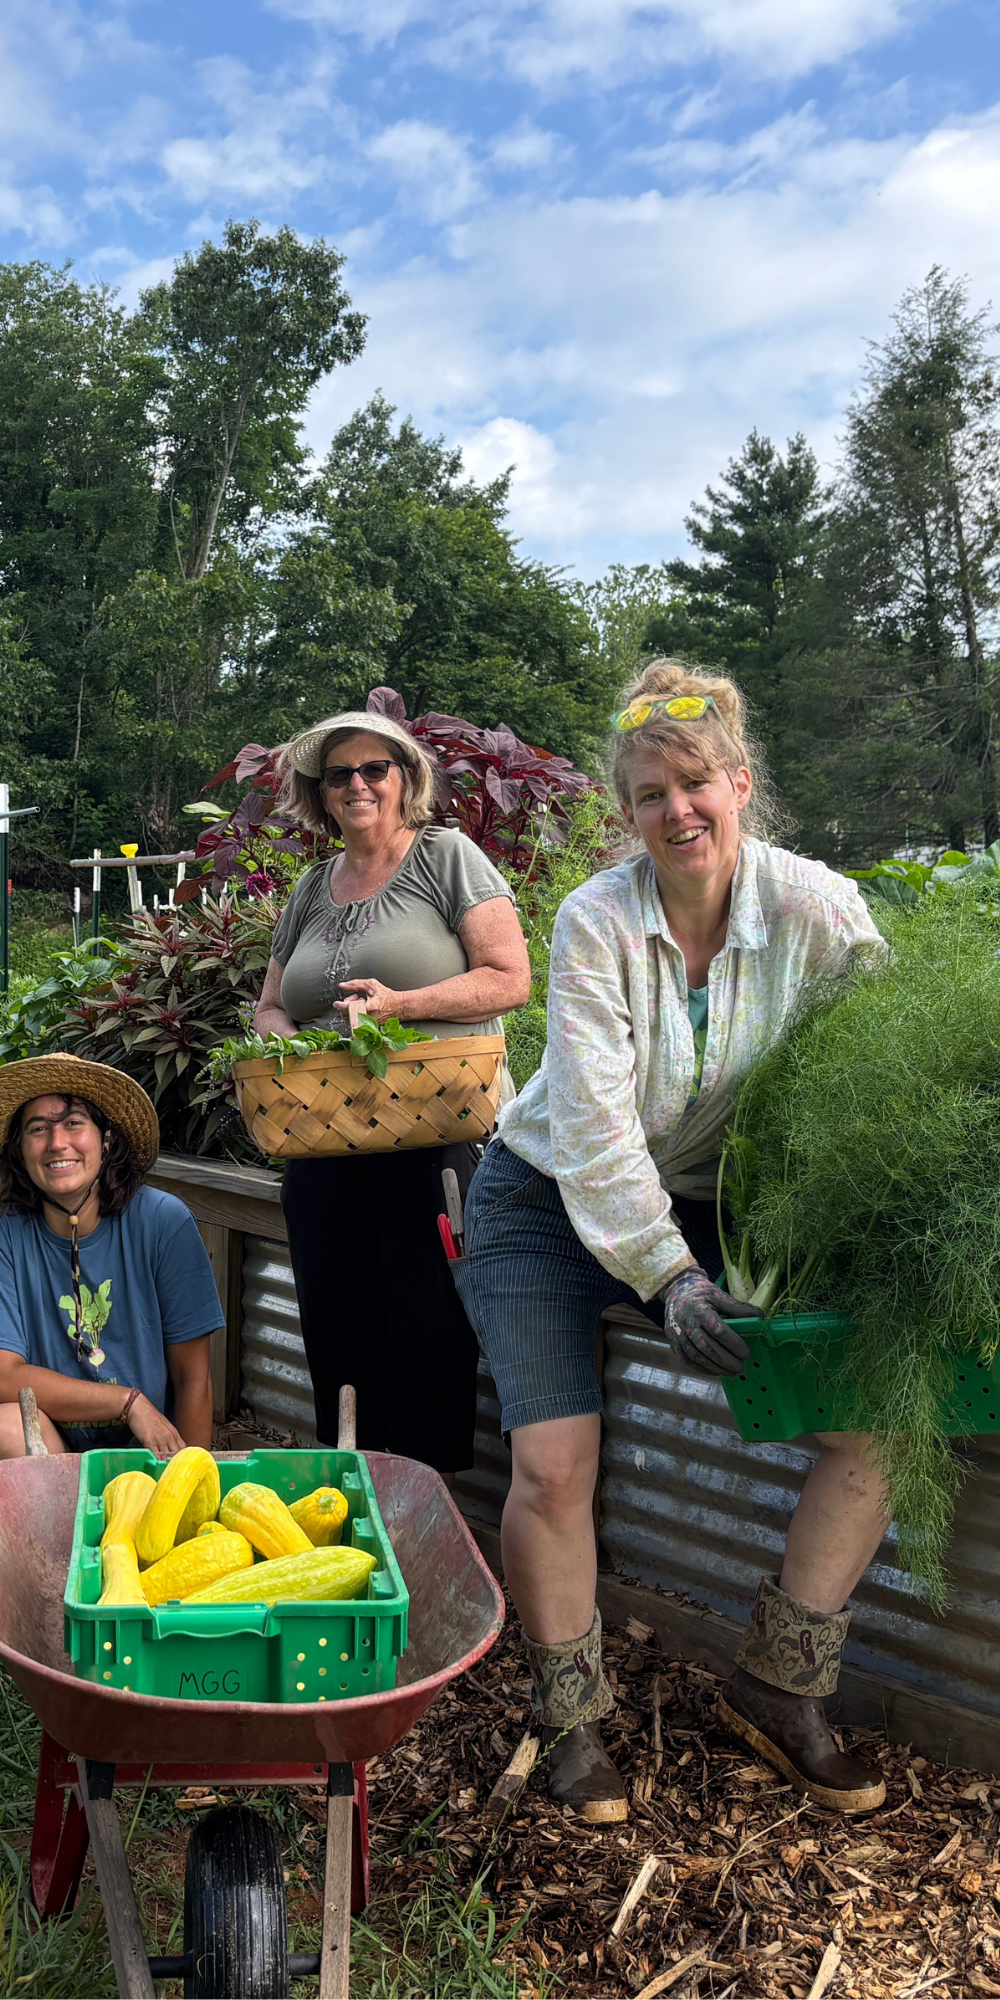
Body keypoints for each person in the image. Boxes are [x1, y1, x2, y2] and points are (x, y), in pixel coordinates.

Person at [461, 659, 891, 1824]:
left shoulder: (819, 908)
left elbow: (884, 1084)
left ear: (741, 783)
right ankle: (570, 1720)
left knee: (878, 1422)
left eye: (696, 781)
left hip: (711, 1201)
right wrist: (671, 1278)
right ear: (629, 812)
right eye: (651, 793)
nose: (677, 810)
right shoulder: (596, 917)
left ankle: (778, 1685)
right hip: (547, 1198)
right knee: (555, 1460)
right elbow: (597, 1133)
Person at [252, 709, 532, 1475]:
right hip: (322, 1136)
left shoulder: (446, 858)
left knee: (427, 1320)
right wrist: (278, 1033)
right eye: (338, 774)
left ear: (405, 778)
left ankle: (424, 1503)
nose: (356, 784)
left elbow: (509, 979)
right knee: (334, 1318)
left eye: (374, 768)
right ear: (320, 792)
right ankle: (348, 1486)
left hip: (431, 1131)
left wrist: (401, 1005)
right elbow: (272, 1001)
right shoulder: (313, 886)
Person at [0, 1055, 221, 1462]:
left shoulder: (164, 1222)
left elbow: (192, 1377)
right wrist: (126, 1402)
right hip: (45, 1451)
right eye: (38, 1129)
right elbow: (3, 1381)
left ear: (106, 1139)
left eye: (74, 1123)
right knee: (4, 1429)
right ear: (19, 1152)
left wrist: (194, 1484)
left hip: (145, 1454)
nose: (58, 1143)